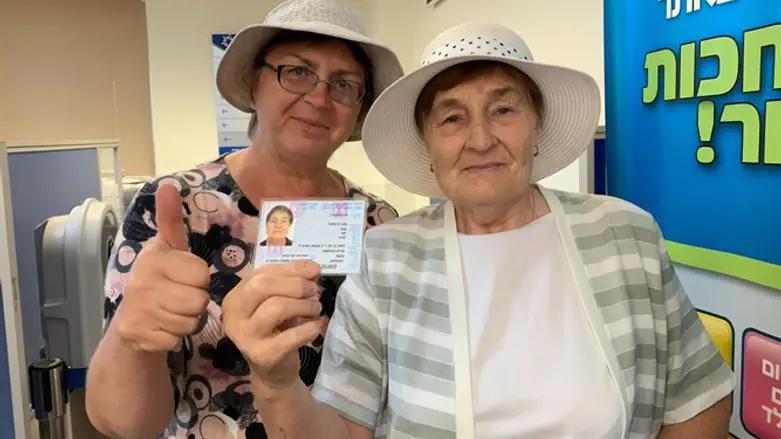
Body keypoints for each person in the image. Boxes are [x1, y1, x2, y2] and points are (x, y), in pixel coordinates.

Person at [220, 22, 737, 439]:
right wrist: (277, 380)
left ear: (537, 126)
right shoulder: (388, 256)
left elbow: (698, 395)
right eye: (451, 118)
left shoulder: (624, 232)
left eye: (503, 110)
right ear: (429, 146)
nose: (481, 139)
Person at [84, 0, 404, 437]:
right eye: (297, 71)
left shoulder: (378, 224)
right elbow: (121, 423)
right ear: (255, 84)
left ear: (358, 111)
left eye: (344, 84)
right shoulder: (177, 206)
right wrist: (132, 336)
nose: (319, 96)